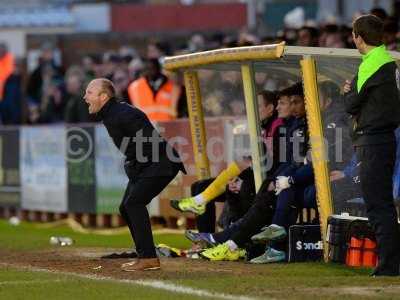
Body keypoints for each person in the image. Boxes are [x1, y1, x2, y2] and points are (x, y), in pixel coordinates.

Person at [84, 78, 186, 271]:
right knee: (126, 207)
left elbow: (149, 144)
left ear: (103, 96)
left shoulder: (123, 114)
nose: (85, 97)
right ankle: (144, 253)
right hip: (150, 164)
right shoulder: (111, 113)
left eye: (89, 92)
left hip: (161, 163)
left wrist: (134, 165)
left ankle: (148, 257)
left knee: (133, 203)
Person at [343, 14, 400, 276]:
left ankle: (389, 265)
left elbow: (351, 105)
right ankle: (390, 261)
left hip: (373, 141)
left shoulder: (371, 64)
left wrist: (348, 90)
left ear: (358, 37)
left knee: (378, 204)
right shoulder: (389, 61)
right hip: (385, 139)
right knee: (384, 202)